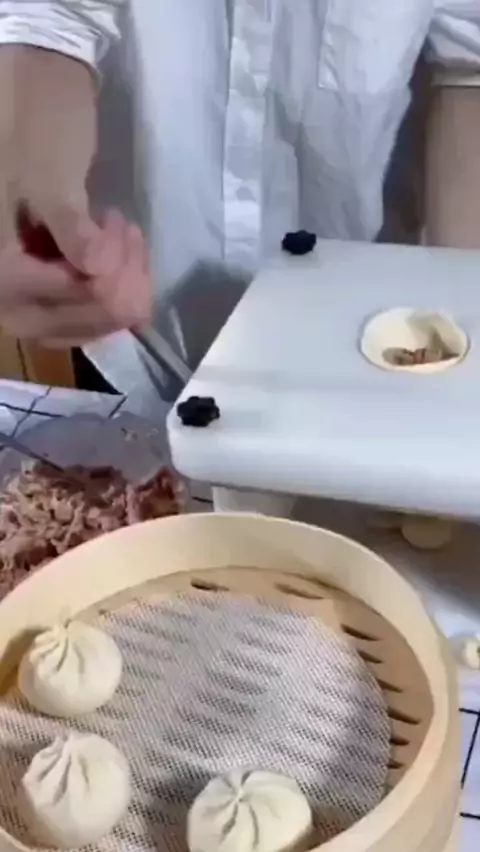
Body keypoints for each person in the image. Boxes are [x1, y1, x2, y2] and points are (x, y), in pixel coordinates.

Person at [0, 1, 479, 403]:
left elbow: (469, 64)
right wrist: (28, 195)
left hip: (373, 345)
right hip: (137, 333)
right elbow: (46, 19)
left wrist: (461, 322)